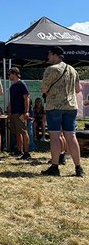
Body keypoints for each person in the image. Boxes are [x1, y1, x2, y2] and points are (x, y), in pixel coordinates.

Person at [40, 46, 85, 177]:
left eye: (49, 54)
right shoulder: (72, 70)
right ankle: (78, 168)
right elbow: (77, 90)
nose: (48, 57)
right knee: (71, 136)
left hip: (54, 106)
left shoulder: (51, 69)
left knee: (54, 137)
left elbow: (43, 89)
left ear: (55, 55)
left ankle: (55, 167)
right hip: (71, 107)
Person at [7, 67, 31, 160]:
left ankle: (26, 152)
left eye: (10, 74)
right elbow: (11, 100)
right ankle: (19, 150)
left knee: (23, 131)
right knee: (17, 132)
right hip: (14, 112)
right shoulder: (12, 86)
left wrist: (26, 111)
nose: (9, 76)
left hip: (21, 112)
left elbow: (26, 98)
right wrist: (9, 111)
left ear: (15, 74)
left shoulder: (22, 84)